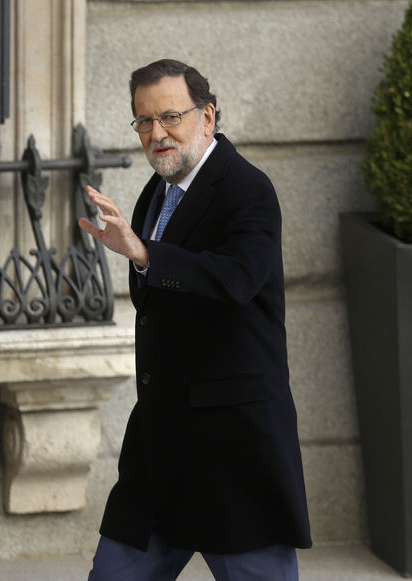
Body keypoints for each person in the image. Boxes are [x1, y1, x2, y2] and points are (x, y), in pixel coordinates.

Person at [79, 59, 312, 581]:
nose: (157, 133)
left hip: (233, 454)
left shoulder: (248, 188)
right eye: (144, 121)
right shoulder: (154, 196)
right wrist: (143, 252)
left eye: (170, 117)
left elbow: (237, 280)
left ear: (207, 117)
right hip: (160, 450)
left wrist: (145, 254)